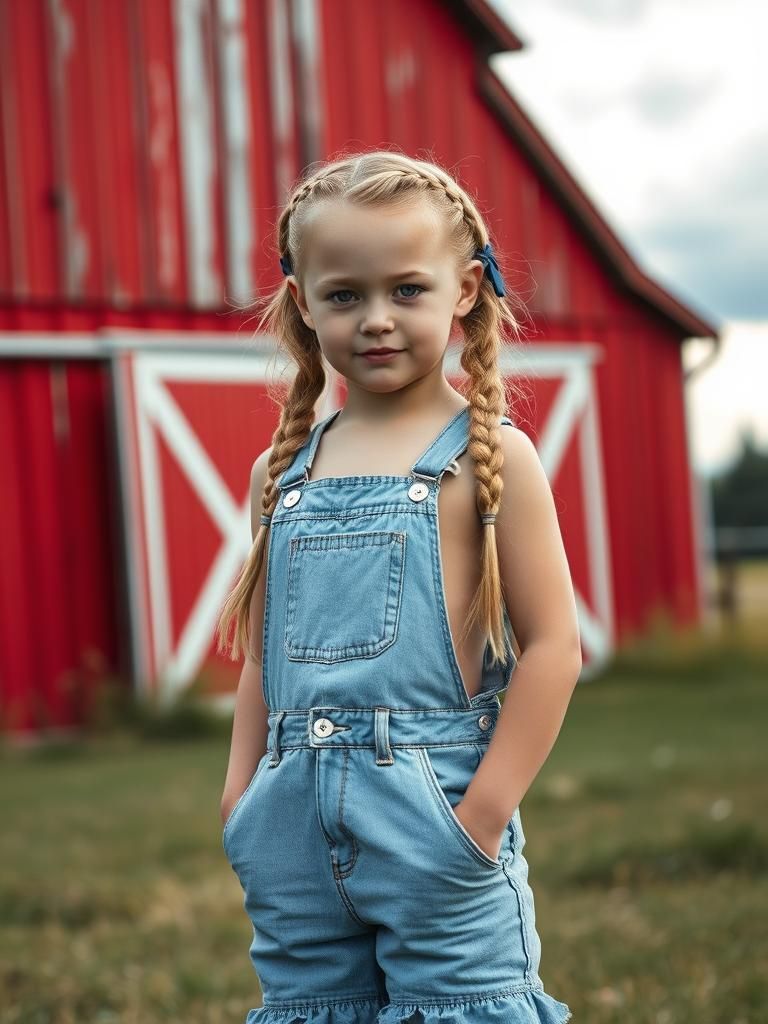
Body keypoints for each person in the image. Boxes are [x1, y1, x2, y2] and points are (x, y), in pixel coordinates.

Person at [216, 150, 581, 1024]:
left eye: (407, 291)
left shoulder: (490, 459)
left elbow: (553, 651)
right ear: (304, 302)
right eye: (344, 295)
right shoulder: (283, 471)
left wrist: (481, 818)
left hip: (435, 810)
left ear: (463, 290)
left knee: (462, 1008)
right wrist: (241, 801)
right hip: (289, 819)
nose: (376, 320)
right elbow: (263, 663)